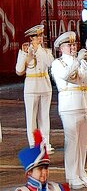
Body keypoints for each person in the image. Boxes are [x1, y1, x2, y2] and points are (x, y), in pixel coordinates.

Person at [49, 32, 87, 188]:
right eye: (70, 45)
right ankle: (71, 176)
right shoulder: (58, 63)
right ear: (61, 48)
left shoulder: (80, 62)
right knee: (72, 142)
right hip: (69, 106)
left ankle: (81, 172)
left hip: (85, 105)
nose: (73, 47)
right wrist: (79, 60)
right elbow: (67, 76)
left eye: (74, 44)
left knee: (83, 142)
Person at [17, 25, 54, 153]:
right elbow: (19, 70)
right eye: (37, 37)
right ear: (31, 38)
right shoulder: (25, 51)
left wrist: (38, 50)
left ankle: (45, 143)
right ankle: (34, 143)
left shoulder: (46, 51)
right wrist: (24, 55)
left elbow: (50, 64)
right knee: (31, 117)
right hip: (31, 87)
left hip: (44, 85)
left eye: (40, 36)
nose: (40, 39)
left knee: (44, 116)